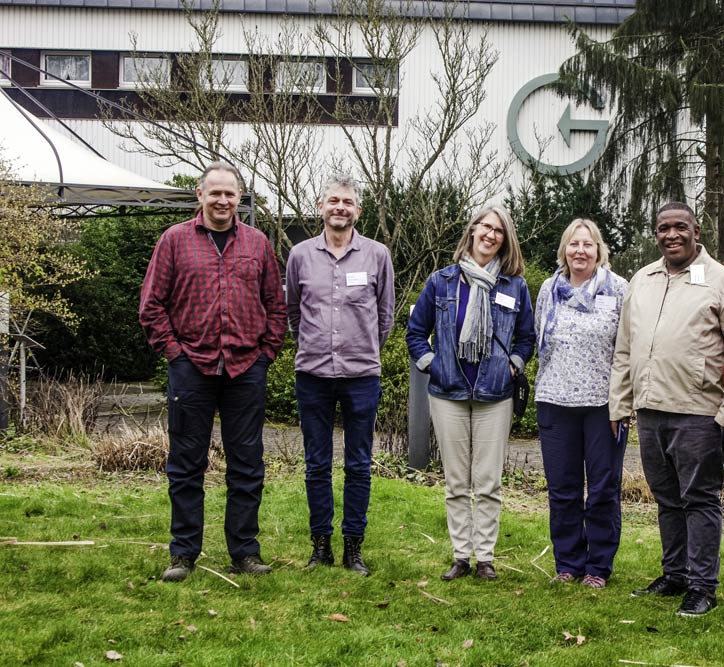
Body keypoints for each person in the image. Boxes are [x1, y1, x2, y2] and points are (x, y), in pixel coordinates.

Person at [139, 161, 287, 582]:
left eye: (230, 193)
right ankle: (183, 554)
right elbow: (151, 304)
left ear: (239, 198)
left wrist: (266, 354)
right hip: (192, 368)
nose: (223, 200)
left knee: (247, 465)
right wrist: (174, 354)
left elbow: (276, 305)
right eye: (215, 193)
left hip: (246, 368)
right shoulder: (174, 241)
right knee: (186, 464)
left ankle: (245, 552)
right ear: (200, 195)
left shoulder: (257, 243)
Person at [609, 202, 724, 616]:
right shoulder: (642, 279)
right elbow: (625, 347)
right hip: (650, 410)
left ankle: (702, 586)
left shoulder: (721, 281)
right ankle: (675, 574)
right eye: (663, 228)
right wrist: (620, 403)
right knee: (667, 499)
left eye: (680, 227)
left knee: (699, 499)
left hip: (699, 412)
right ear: (656, 234)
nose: (672, 235)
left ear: (696, 231)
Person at [406, 205, 535, 582]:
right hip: (448, 392)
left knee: (488, 481)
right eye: (485, 227)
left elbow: (526, 338)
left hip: (496, 393)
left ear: (505, 240)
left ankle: (486, 558)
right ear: (473, 230)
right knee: (457, 481)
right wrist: (432, 364)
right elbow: (416, 333)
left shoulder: (514, 286)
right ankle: (461, 555)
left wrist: (513, 366)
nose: (491, 234)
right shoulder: (441, 282)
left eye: (499, 231)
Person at [285, 174, 395, 576]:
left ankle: (353, 547)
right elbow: (293, 313)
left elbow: (385, 316)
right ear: (321, 206)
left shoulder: (377, 255)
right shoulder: (300, 255)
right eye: (333, 200)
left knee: (358, 464)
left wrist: (361, 346)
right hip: (312, 374)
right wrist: (314, 344)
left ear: (358, 211)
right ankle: (320, 546)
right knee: (316, 463)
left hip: (361, 375)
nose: (340, 208)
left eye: (347, 202)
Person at [534, 219, 628, 589]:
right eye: (574, 244)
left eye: (588, 244)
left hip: (603, 406)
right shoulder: (549, 289)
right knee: (562, 489)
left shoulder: (617, 288)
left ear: (598, 250)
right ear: (564, 250)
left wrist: (622, 403)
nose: (580, 251)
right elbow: (540, 338)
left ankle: (598, 567)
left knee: (603, 488)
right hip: (554, 401)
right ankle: (568, 563)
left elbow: (627, 347)